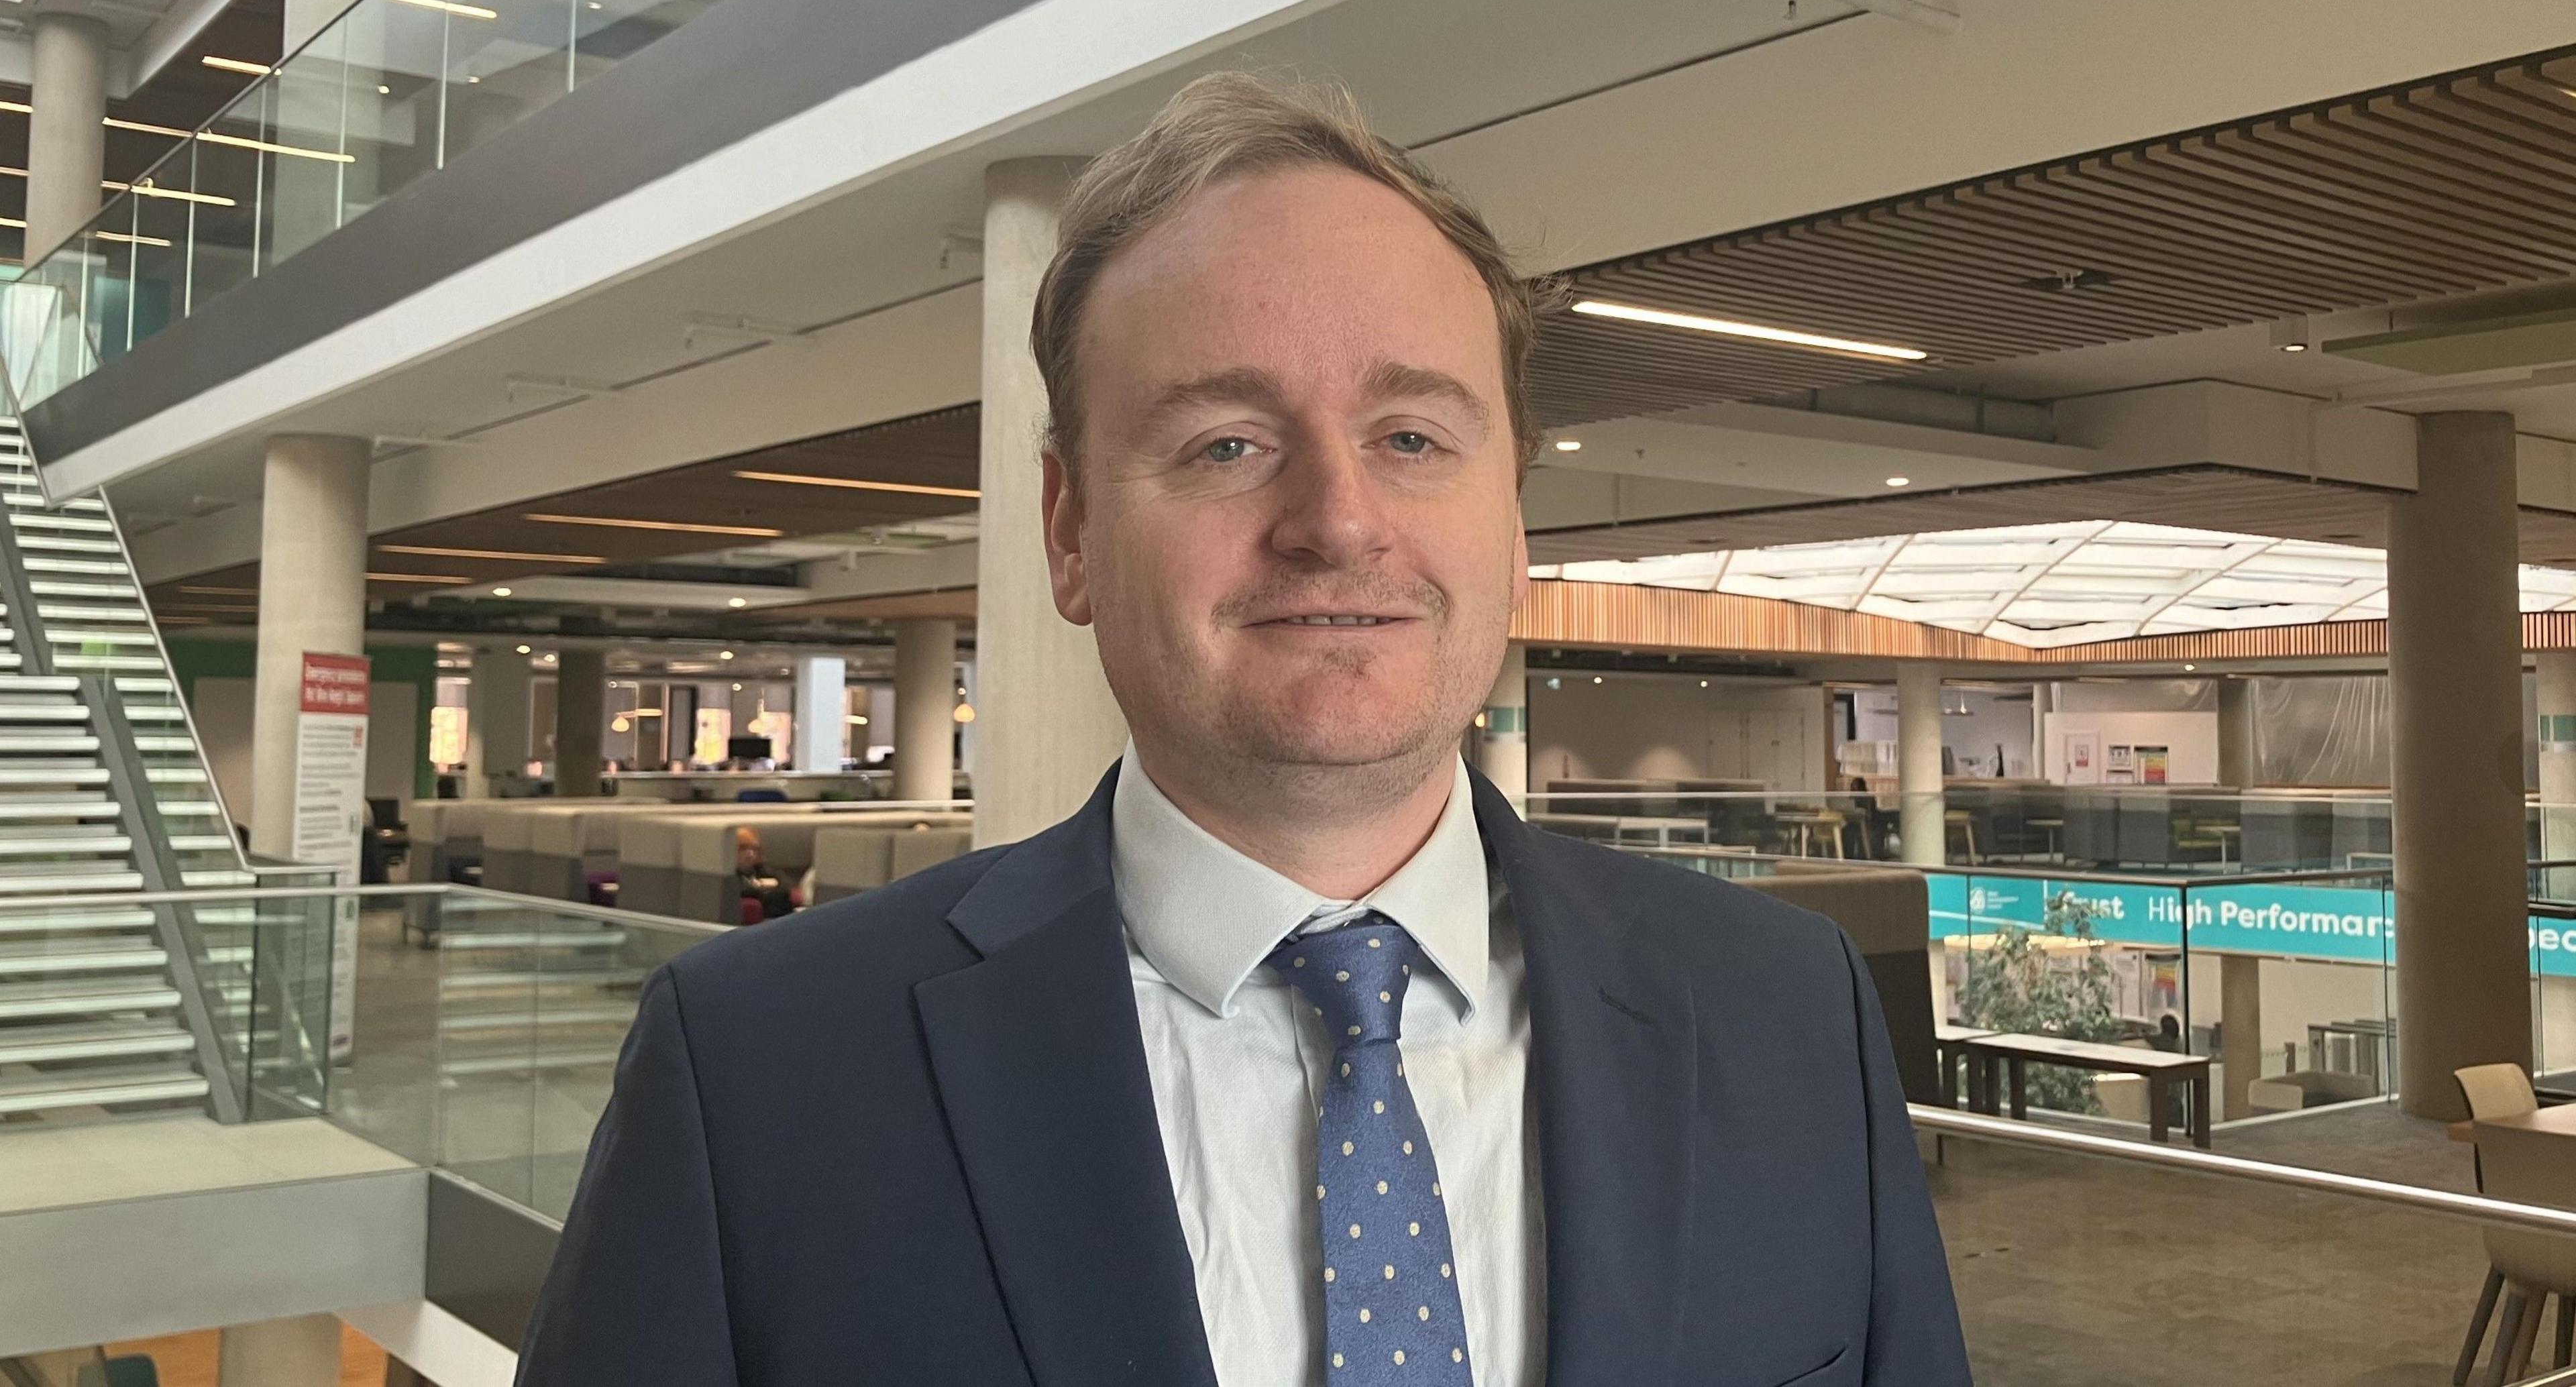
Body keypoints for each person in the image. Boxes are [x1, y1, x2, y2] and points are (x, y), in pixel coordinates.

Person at [517, 73, 1968, 1386]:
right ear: (1071, 529)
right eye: (1226, 444)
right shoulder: (761, 1073)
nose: (1339, 522)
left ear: (1514, 518)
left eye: (1413, 438)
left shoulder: (1785, 1012)